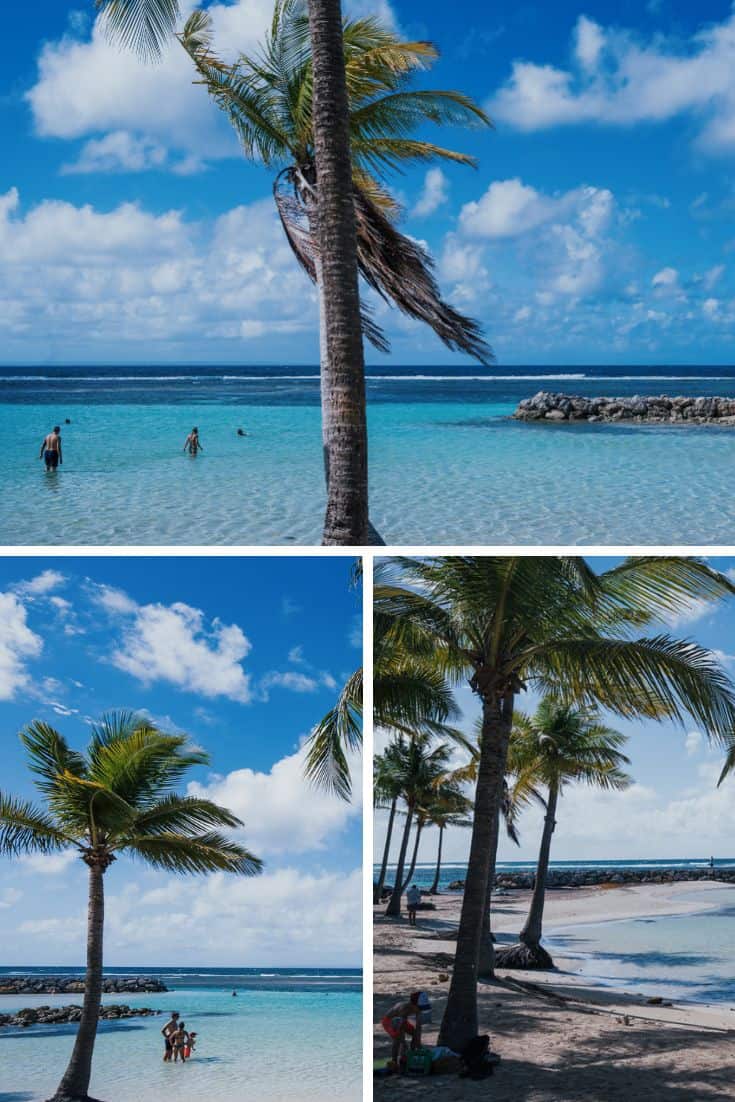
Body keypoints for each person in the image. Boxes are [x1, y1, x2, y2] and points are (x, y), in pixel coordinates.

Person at [381, 992, 423, 1070]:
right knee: (398, 1040)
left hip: (401, 1021)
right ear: (414, 1005)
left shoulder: (417, 1008)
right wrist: (403, 1043)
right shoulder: (404, 1008)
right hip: (389, 1021)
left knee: (415, 1034)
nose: (420, 1010)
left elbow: (418, 1027)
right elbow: (400, 1028)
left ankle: (410, 1055)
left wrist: (418, 1042)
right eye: (420, 1008)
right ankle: (394, 1061)